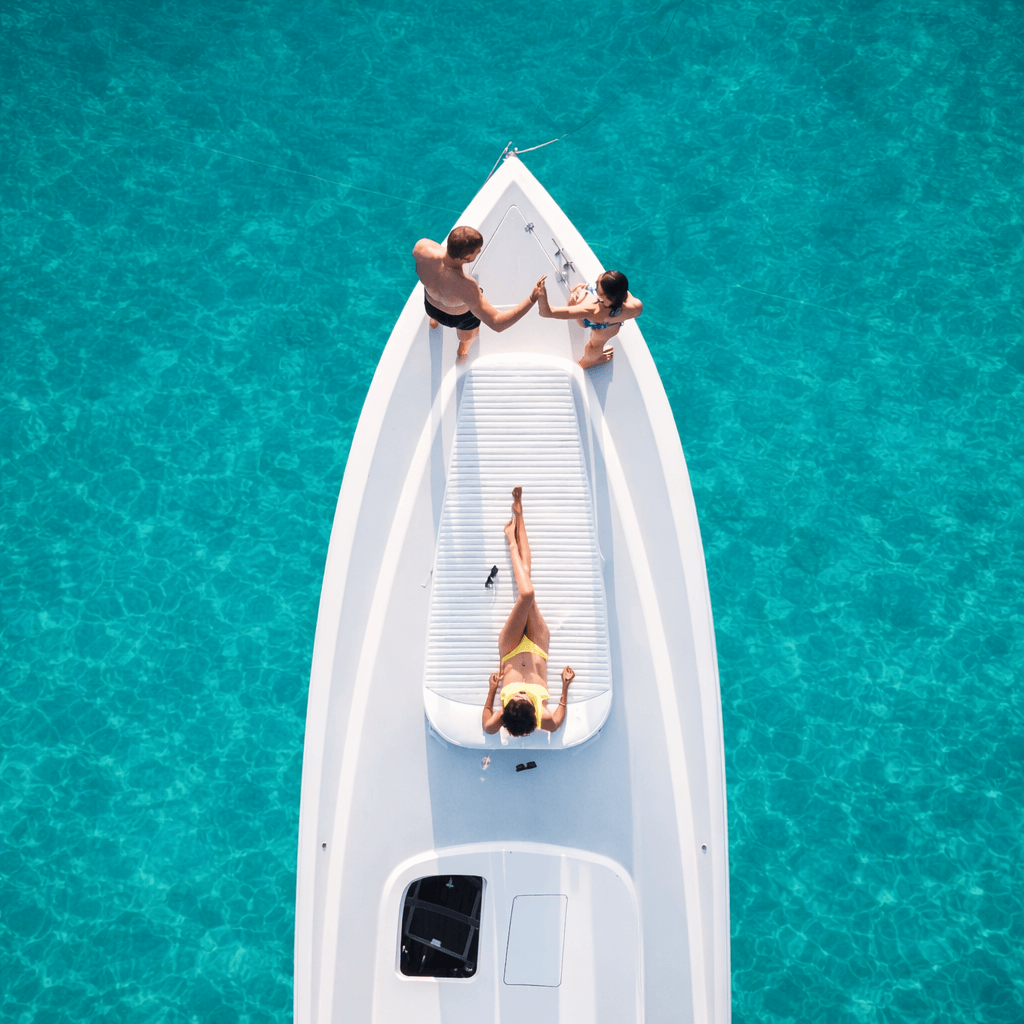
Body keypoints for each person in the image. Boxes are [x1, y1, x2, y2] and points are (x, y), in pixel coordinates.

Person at [483, 487, 574, 737]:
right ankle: (518, 518)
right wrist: (565, 687)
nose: (522, 692)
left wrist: (492, 692)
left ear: (507, 712)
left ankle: (513, 537)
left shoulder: (502, 716)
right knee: (527, 581)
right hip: (537, 646)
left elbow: (486, 727)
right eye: (526, 697)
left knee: (527, 593)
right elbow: (556, 721)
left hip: (510, 648)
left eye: (516, 696)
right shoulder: (540, 718)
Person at [413, 227, 546, 360]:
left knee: (434, 309)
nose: (479, 252)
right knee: (468, 337)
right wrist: (532, 299)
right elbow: (497, 323)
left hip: (431, 305)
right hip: (459, 318)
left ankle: (434, 322)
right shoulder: (467, 286)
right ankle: (463, 349)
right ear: (467, 258)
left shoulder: (422, 248)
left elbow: (442, 266)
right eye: (478, 251)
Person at [536, 269, 643, 368]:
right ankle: (593, 358)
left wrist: (541, 294)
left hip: (591, 323)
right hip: (612, 327)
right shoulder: (635, 307)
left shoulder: (592, 310)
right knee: (599, 343)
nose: (593, 285)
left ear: (603, 296)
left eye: (596, 286)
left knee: (592, 347)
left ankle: (586, 363)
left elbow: (547, 312)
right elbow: (622, 293)